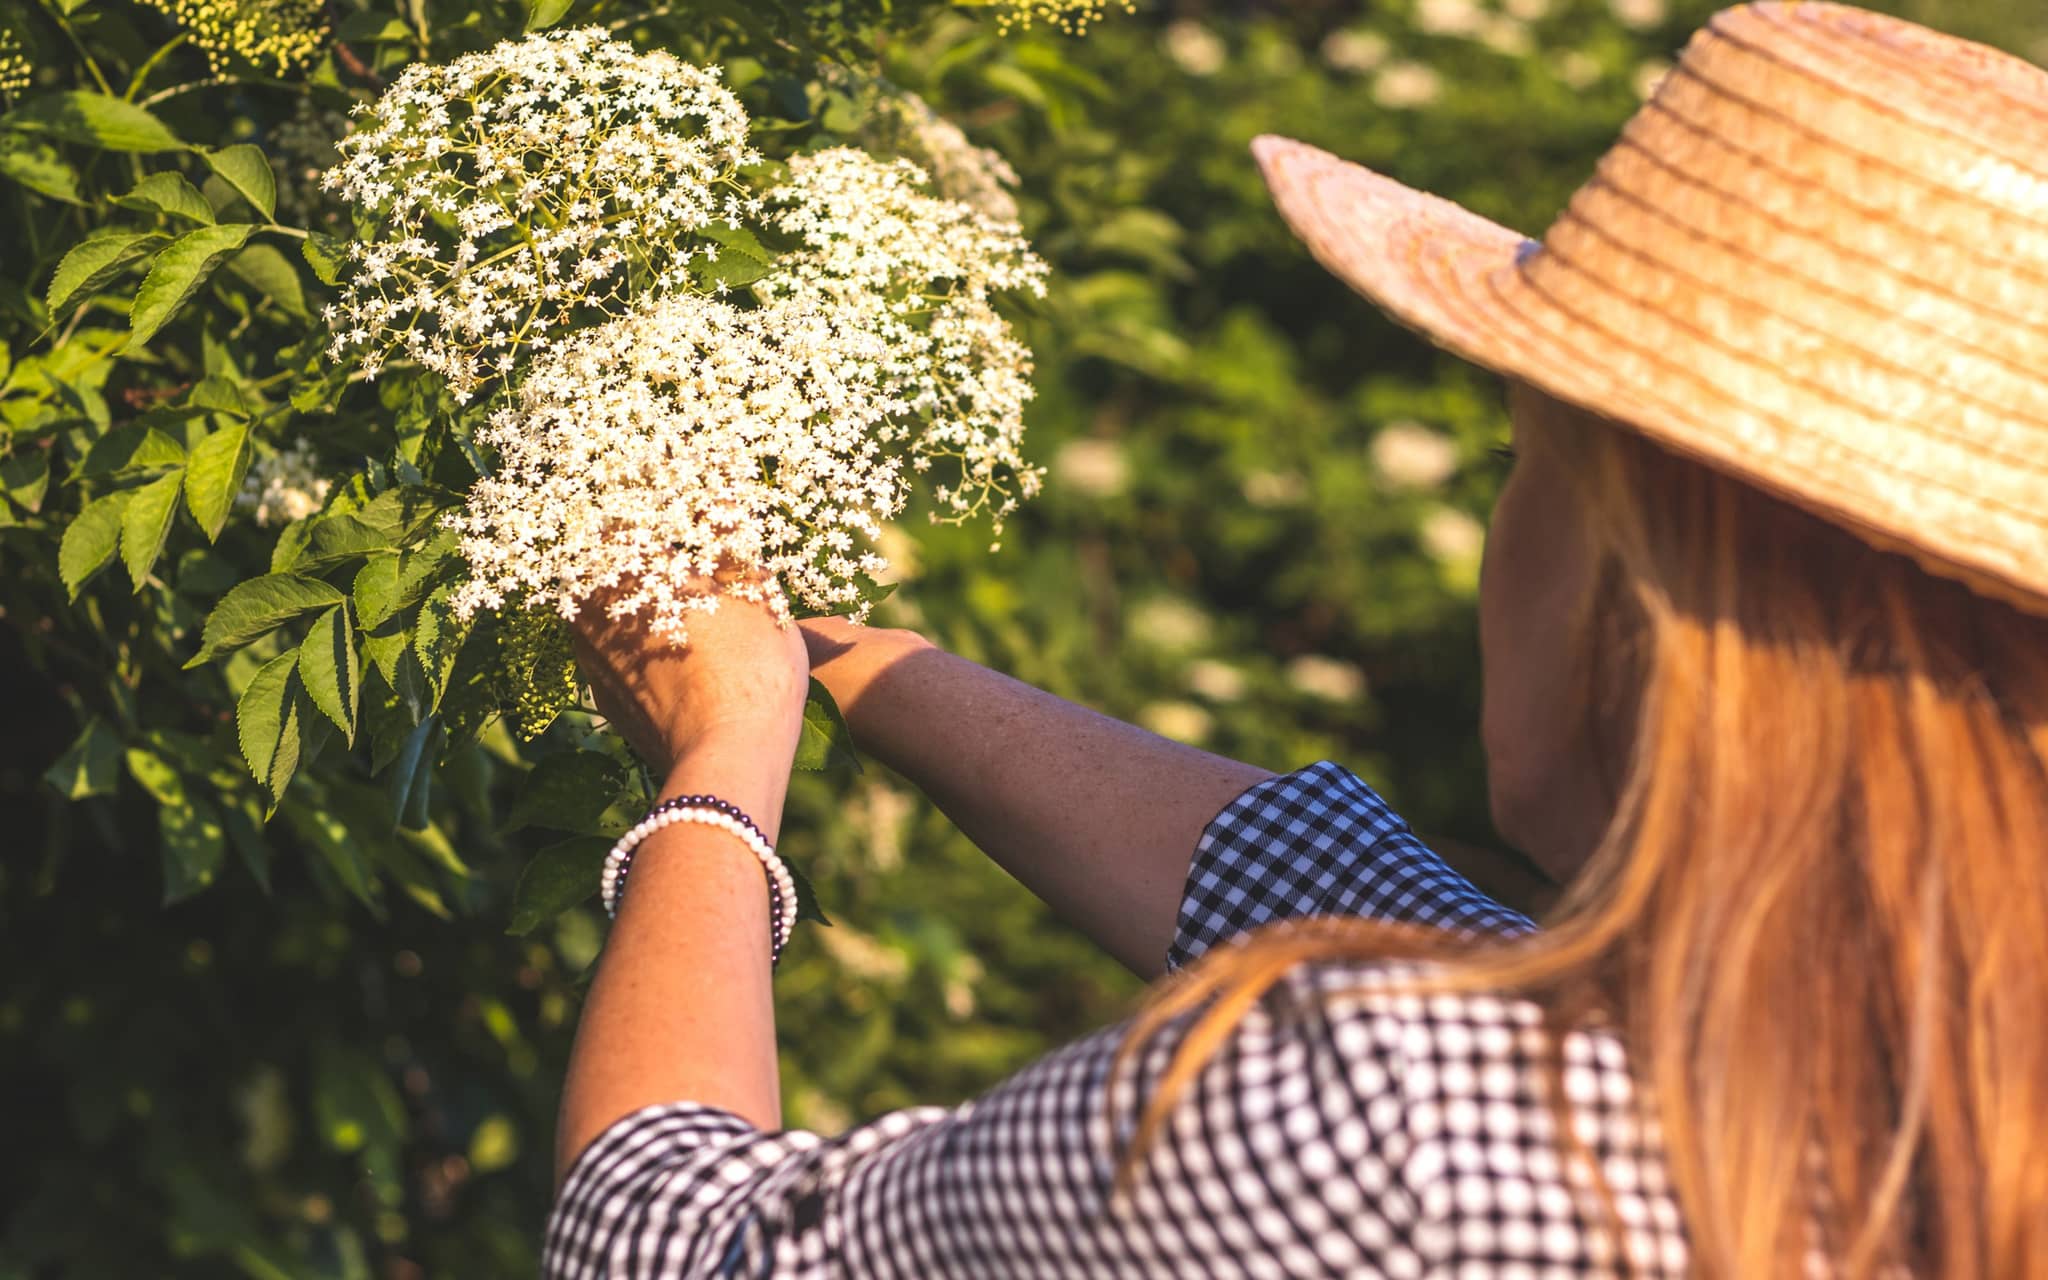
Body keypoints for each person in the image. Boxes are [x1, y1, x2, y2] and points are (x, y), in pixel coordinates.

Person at [542, 3, 2048, 1274]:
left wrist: (719, 769)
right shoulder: (1923, 1085)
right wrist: (856, 665)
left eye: (1523, 462)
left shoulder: (1398, 1127)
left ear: (1635, 595)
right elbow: (1404, 916)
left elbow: (669, 1238)